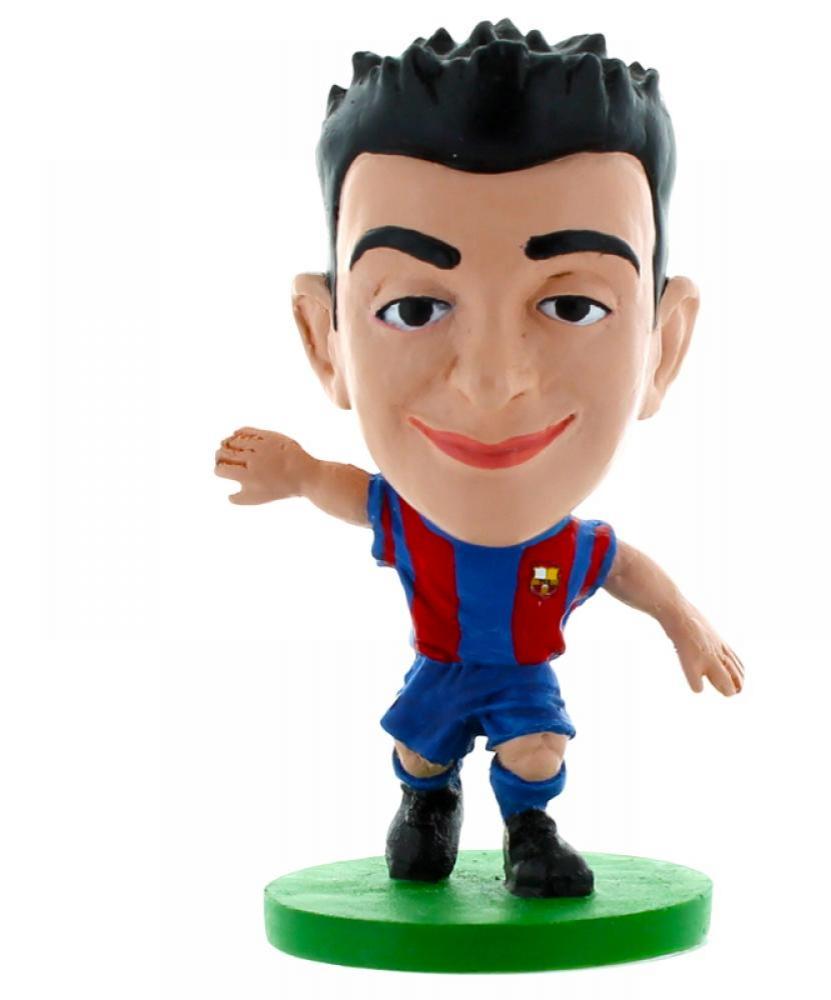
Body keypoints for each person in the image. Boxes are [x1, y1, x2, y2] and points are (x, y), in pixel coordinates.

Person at [215, 18, 743, 899]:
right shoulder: (408, 520)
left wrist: (684, 623)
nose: (493, 384)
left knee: (537, 747)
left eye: (572, 306)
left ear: (664, 346)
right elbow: (350, 492)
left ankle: (531, 830)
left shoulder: (567, 548)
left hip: (520, 672)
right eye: (414, 308)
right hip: (441, 665)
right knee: (421, 749)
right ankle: (427, 802)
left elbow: (628, 571)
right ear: (324, 340)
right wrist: (298, 471)